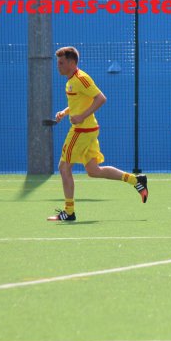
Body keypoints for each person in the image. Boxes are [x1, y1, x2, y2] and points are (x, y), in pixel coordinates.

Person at [48, 46, 148, 221]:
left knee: (64, 168)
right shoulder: (70, 80)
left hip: (82, 131)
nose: (58, 66)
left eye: (61, 63)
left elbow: (101, 98)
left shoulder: (82, 79)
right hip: (88, 129)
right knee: (94, 170)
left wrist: (80, 117)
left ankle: (69, 212)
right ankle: (136, 181)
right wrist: (65, 113)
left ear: (72, 63)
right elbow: (80, 101)